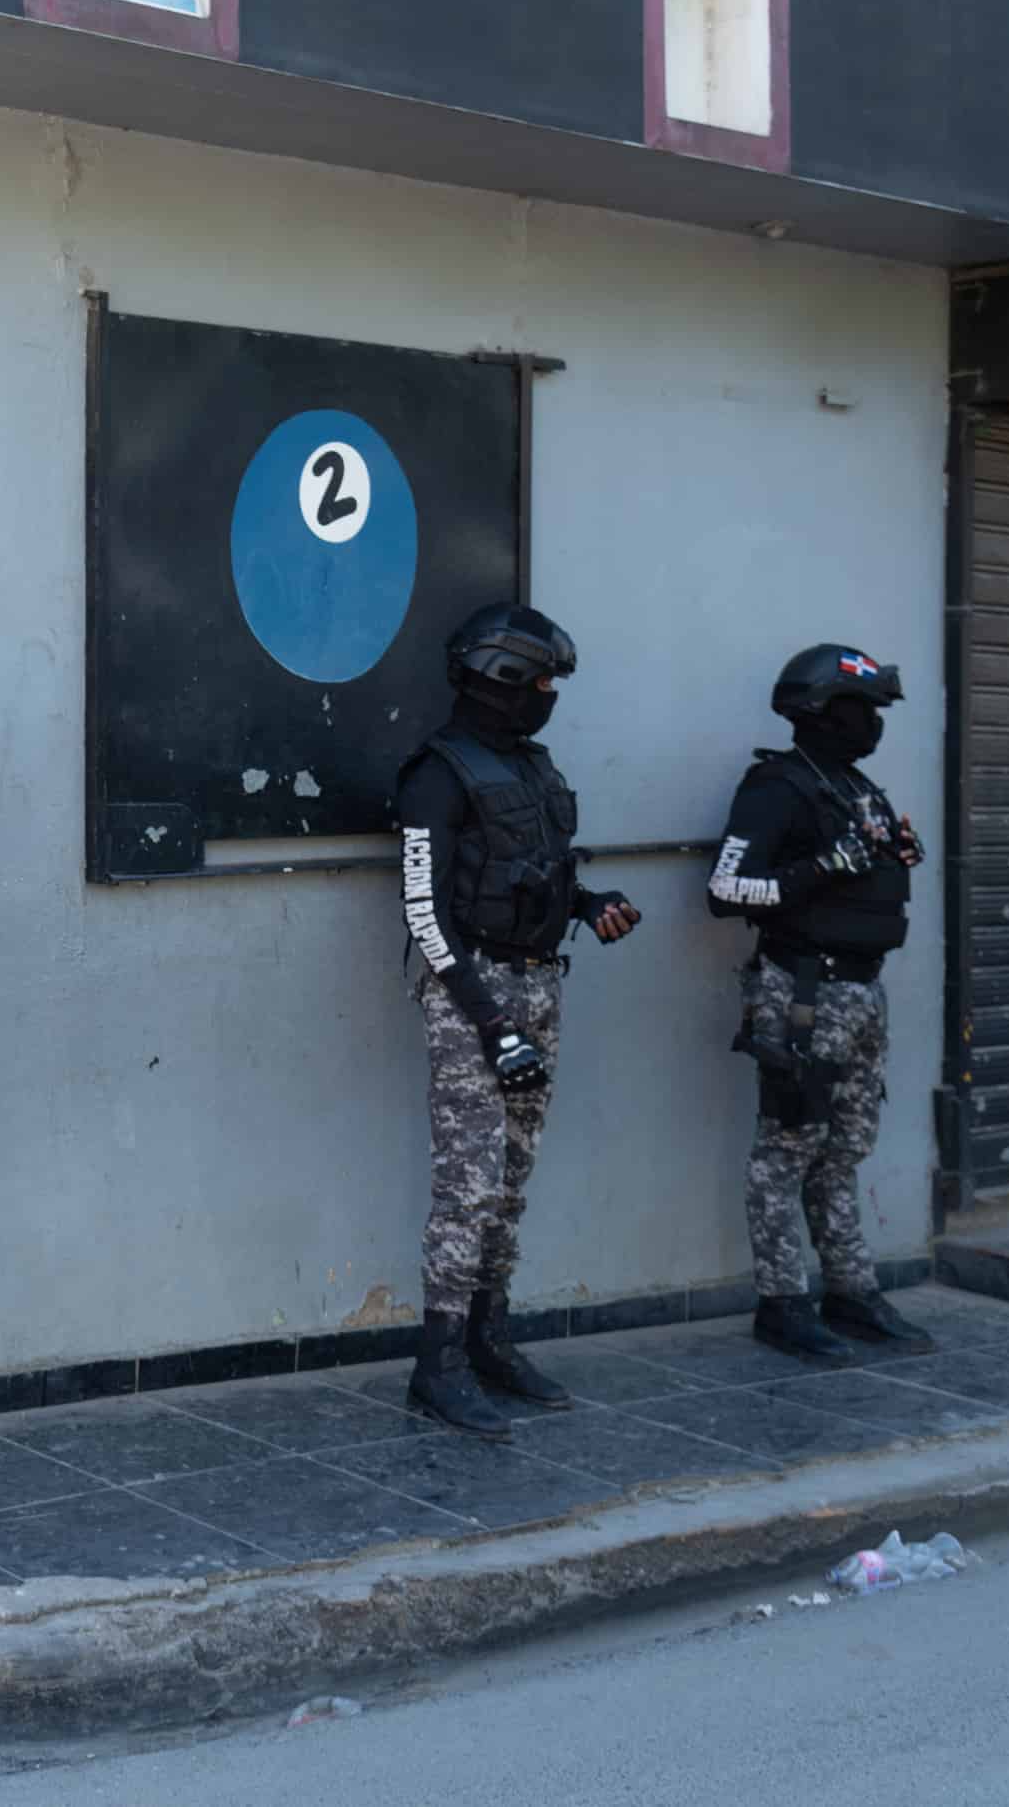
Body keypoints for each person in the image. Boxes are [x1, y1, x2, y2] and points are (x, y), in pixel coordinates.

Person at [395, 603, 641, 1441]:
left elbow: (543, 874)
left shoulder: (531, 767)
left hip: (540, 983)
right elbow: (425, 917)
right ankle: (438, 1364)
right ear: (499, 677)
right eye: (539, 681)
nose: (548, 697)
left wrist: (592, 903)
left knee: (512, 1180)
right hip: (474, 994)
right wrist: (490, 1022)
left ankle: (487, 1338)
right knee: (468, 1186)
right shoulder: (437, 774)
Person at [706, 644, 933, 1364]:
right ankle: (780, 1301)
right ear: (819, 710)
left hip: (863, 991)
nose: (871, 722)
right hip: (804, 991)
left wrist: (892, 852)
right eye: (859, 708)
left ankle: (850, 1288)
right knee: (786, 1150)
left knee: (843, 1149)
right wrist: (826, 866)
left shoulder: (854, 787)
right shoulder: (777, 787)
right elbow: (725, 890)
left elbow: (865, 872)